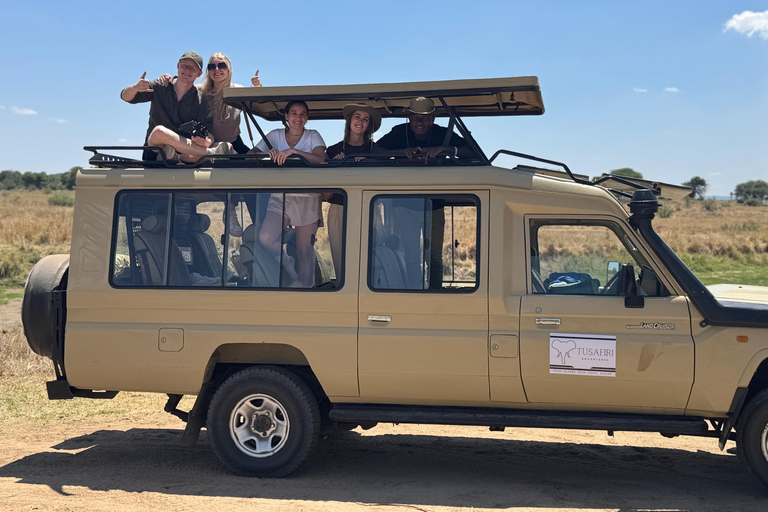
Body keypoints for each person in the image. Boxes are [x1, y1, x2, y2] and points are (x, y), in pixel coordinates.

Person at [251, 100, 327, 287]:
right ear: (286, 116)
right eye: (294, 113)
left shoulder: (313, 135)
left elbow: (320, 158)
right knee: (266, 238)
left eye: (302, 114)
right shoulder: (275, 135)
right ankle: (290, 270)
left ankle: (306, 291)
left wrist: (293, 151)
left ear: (307, 118)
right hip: (280, 195)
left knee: (304, 252)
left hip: (306, 197)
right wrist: (268, 154)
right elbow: (251, 155)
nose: (298, 118)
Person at [120, 51, 223, 163]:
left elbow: (209, 132)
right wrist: (135, 87)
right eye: (185, 66)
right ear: (178, 65)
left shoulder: (201, 100)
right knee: (159, 132)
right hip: (154, 151)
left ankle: (174, 156)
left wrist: (207, 141)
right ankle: (210, 154)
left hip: (184, 152)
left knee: (225, 146)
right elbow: (126, 97)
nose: (188, 70)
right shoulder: (160, 86)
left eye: (193, 69)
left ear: (199, 73)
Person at [326, 104, 382, 278]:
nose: (360, 122)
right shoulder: (332, 151)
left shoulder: (376, 151)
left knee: (370, 259)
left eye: (366, 119)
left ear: (369, 125)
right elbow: (326, 193)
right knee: (340, 259)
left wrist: (368, 164)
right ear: (349, 120)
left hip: (369, 208)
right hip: (339, 209)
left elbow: (383, 181)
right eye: (357, 117)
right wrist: (336, 167)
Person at [199, 53, 263, 155]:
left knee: (256, 160)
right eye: (212, 66)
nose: (217, 69)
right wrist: (173, 79)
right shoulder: (201, 91)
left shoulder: (237, 91)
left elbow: (259, 102)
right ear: (208, 71)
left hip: (234, 143)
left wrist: (257, 86)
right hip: (208, 144)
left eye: (222, 66)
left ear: (228, 70)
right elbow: (181, 86)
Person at [375, 96, 474, 162]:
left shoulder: (443, 133)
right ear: (409, 117)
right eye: (415, 117)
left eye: (425, 118)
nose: (419, 122)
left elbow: (473, 152)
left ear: (433, 118)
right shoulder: (399, 132)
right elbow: (375, 151)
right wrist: (400, 152)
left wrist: (445, 149)